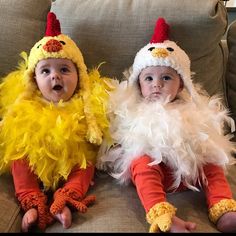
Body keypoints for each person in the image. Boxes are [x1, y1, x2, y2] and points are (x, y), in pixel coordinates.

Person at [96, 17, 236, 233]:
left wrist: (204, 148)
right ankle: (161, 214)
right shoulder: (132, 110)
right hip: (154, 171)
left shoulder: (192, 108)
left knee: (212, 162)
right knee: (140, 162)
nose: (157, 84)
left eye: (167, 78)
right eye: (148, 78)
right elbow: (120, 141)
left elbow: (208, 141)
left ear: (181, 85)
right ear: (138, 84)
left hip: (188, 172)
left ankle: (223, 207)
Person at [0, 12, 112, 232]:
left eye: (64, 69)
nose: (55, 76)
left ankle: (67, 198)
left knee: (86, 165)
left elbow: (98, 135)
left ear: (79, 76)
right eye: (46, 70)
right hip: (35, 160)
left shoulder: (85, 102)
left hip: (71, 162)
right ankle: (31, 201)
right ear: (34, 80)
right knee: (19, 157)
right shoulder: (26, 103)